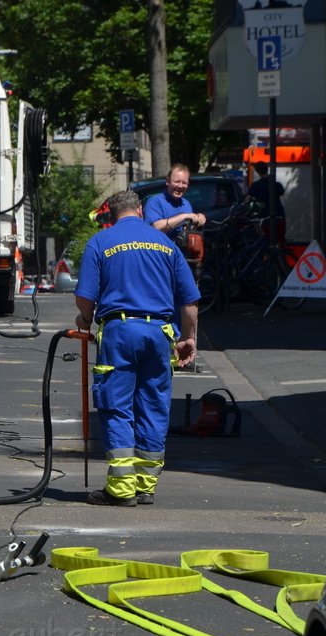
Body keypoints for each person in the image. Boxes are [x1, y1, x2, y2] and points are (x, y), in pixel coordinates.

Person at [73, 190, 200, 507]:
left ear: (111, 214)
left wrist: (85, 319)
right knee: (153, 404)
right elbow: (189, 301)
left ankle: (121, 489)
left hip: (120, 331)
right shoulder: (166, 244)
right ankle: (145, 485)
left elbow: (85, 296)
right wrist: (189, 338)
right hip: (159, 332)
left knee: (116, 405)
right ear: (140, 210)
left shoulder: (101, 241)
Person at [143, 163, 207, 235]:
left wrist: (198, 219)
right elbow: (155, 227)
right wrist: (184, 216)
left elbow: (188, 231)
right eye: (177, 182)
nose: (180, 186)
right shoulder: (154, 202)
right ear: (168, 181)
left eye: (184, 183)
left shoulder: (186, 204)